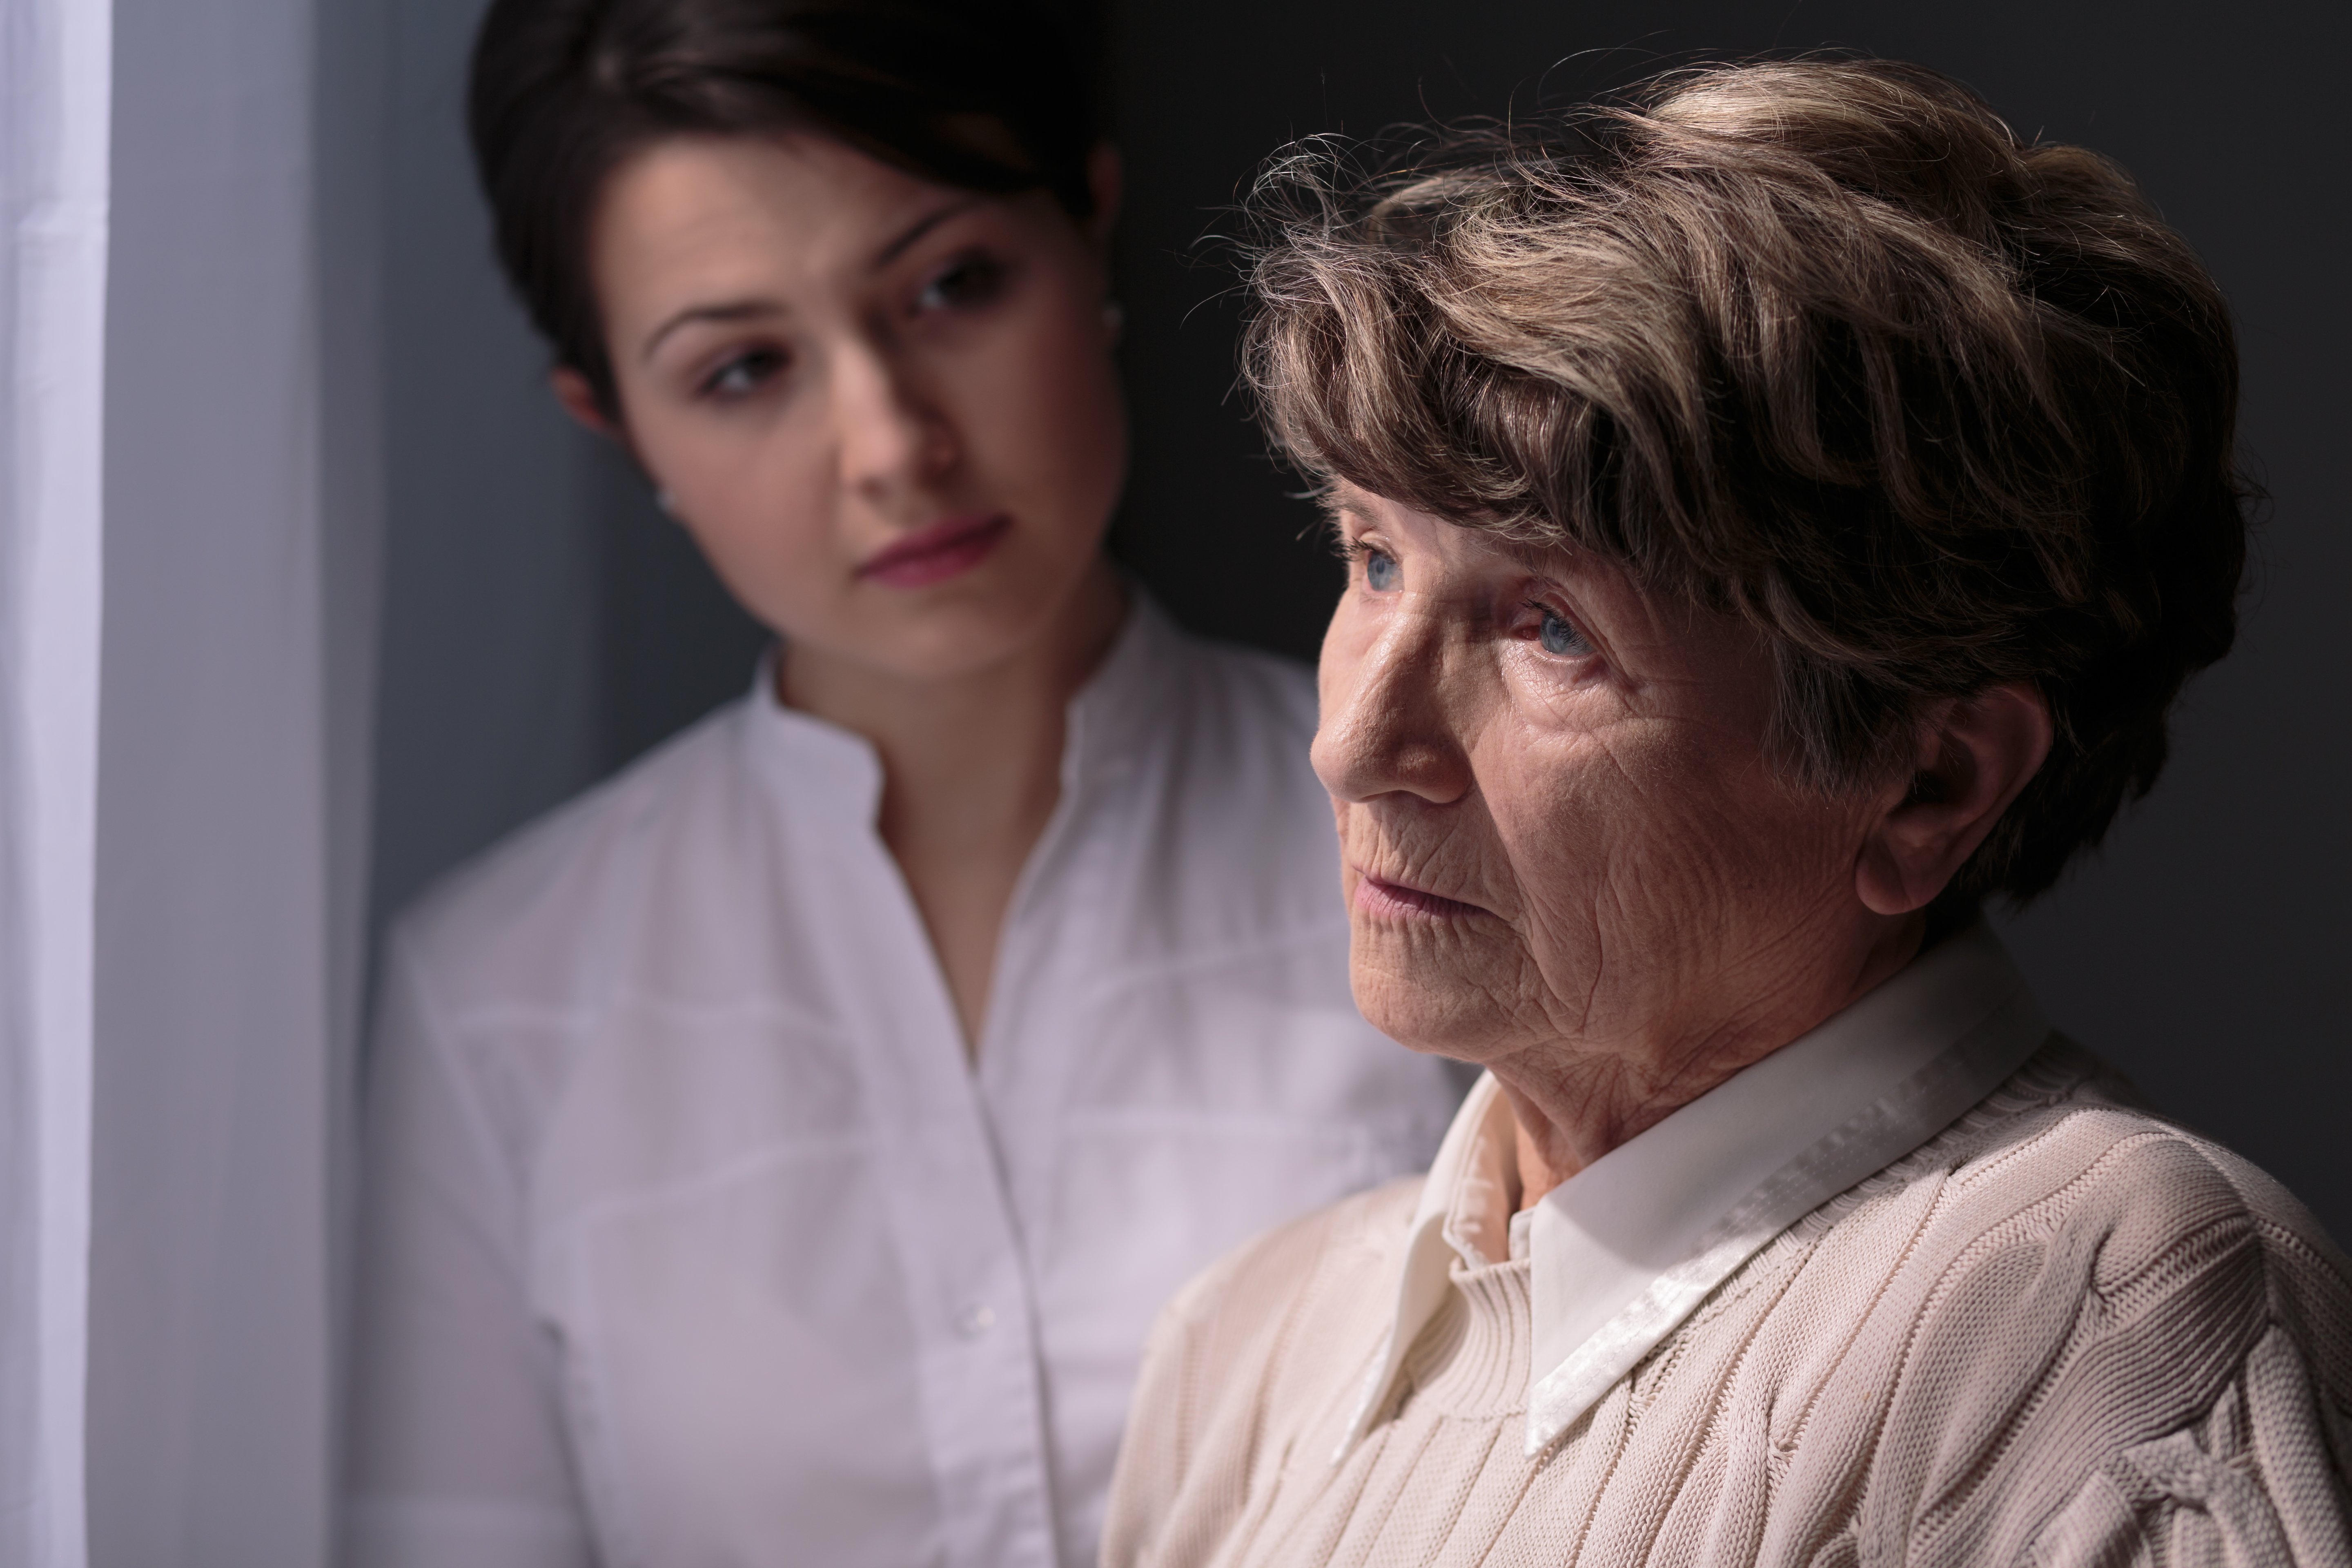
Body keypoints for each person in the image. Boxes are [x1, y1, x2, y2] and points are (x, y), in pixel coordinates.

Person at [1102, 59, 2352, 1568]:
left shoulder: (2125, 1307)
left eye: (1551, 627)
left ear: (1927, 780)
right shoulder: (1242, 1348)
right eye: (1372, 560)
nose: (1358, 745)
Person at [342, 2, 1463, 1563]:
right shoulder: (496, 1004)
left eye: (953, 285)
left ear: (1092, 227)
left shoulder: (1454, 836)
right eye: (742, 370)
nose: (890, 444)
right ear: (615, 423)